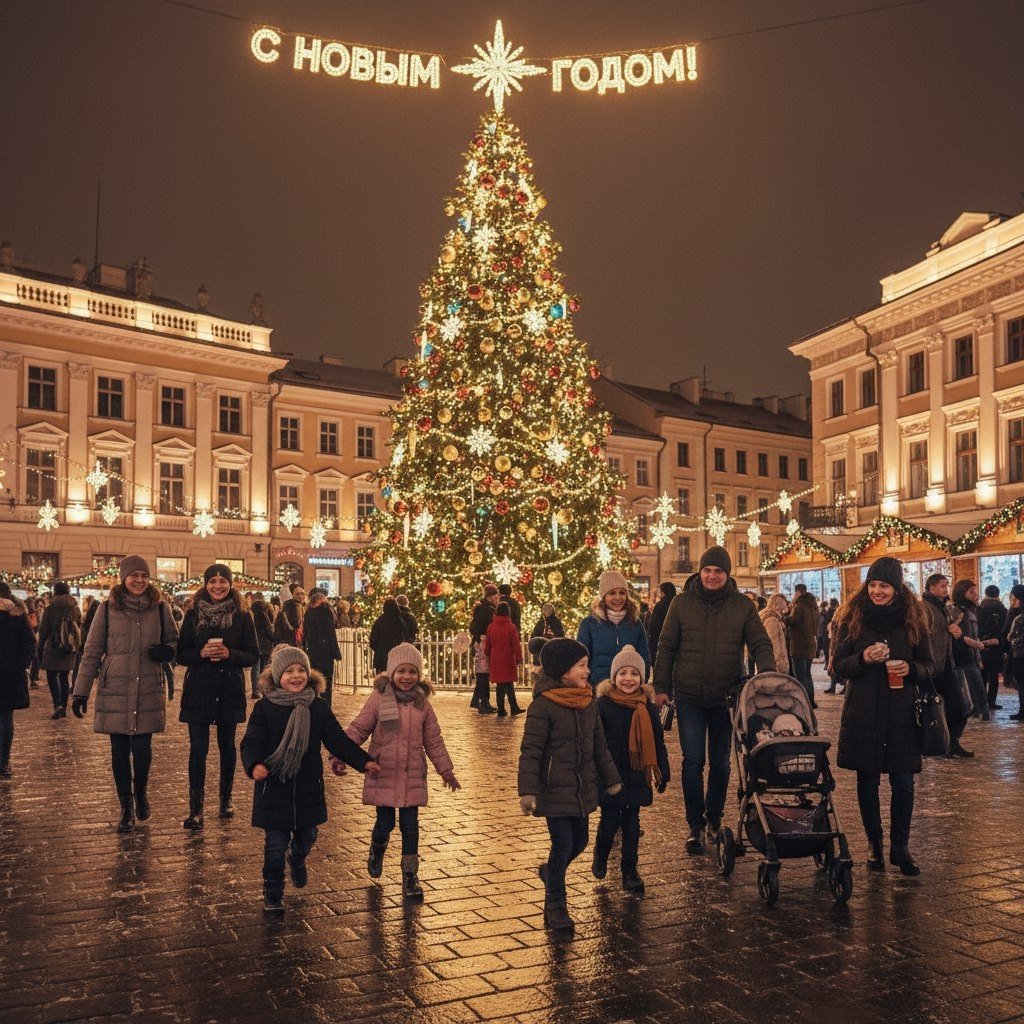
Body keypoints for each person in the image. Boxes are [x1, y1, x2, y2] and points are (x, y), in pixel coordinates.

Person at [653, 545, 775, 853]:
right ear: (700, 572)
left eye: (718, 571)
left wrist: (767, 675)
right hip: (690, 696)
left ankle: (714, 816)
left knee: (721, 762)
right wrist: (661, 686)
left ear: (727, 575)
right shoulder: (681, 603)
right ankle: (695, 823)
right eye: (707, 570)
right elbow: (666, 647)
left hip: (727, 697)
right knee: (693, 761)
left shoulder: (742, 606)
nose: (712, 576)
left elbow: (759, 642)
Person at [241, 646, 380, 913]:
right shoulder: (265, 707)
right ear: (277, 675)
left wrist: (363, 761)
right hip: (274, 788)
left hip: (308, 788)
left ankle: (297, 857)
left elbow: (337, 740)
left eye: (301, 670)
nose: (296, 675)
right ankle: (273, 892)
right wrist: (254, 765)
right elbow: (252, 741)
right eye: (289, 671)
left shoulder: (317, 706)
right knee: (274, 845)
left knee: (308, 835)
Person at [832, 556, 934, 876]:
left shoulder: (913, 619)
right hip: (863, 710)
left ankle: (900, 847)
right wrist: (862, 658)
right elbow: (838, 665)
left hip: (902, 714)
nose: (877, 591)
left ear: (896, 588)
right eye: (873, 584)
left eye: (884, 586)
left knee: (904, 783)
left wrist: (911, 668)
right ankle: (874, 843)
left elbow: (931, 666)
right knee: (868, 780)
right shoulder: (853, 618)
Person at [339, 643, 460, 900]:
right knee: (385, 824)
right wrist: (341, 753)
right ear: (391, 673)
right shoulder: (378, 699)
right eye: (401, 671)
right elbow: (359, 728)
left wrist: (445, 770)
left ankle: (410, 876)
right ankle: (377, 848)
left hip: (411, 776)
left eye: (412, 672)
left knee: (410, 827)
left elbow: (434, 740)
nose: (407, 677)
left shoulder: (422, 704)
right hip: (383, 773)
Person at [517, 638, 621, 932]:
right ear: (564, 672)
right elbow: (531, 751)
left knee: (581, 842)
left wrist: (611, 779)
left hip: (582, 788)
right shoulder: (544, 706)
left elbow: (600, 746)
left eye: (587, 666)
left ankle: (551, 873)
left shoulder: (588, 702)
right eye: (582, 666)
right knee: (563, 845)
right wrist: (528, 790)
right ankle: (556, 905)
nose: (588, 672)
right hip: (554, 789)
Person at [72, 555, 179, 833]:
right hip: (115, 687)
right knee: (119, 751)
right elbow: (92, 651)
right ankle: (126, 806)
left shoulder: (160, 608)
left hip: (147, 686)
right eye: (134, 576)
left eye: (144, 575)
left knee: (142, 749)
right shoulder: (107, 609)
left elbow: (174, 641)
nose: (139, 580)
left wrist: (168, 651)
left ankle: (140, 790)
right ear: (123, 578)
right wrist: (80, 692)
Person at [176, 564, 259, 830]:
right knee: (198, 749)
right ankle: (196, 809)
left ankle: (226, 799)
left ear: (231, 584)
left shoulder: (243, 616)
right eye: (213, 581)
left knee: (227, 746)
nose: (218, 586)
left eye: (223, 581)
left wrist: (230, 655)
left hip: (229, 688)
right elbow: (181, 654)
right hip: (199, 689)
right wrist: (199, 654)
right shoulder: (192, 614)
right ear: (206, 584)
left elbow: (254, 654)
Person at [593, 645, 670, 895]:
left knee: (632, 824)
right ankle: (601, 855)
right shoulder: (603, 705)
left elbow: (657, 741)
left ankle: (630, 870)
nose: (628, 679)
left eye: (634, 674)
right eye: (623, 673)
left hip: (637, 775)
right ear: (614, 677)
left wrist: (662, 769)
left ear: (642, 678)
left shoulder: (646, 706)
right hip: (611, 775)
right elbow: (595, 742)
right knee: (608, 822)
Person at [921, 573, 973, 757]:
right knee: (927, 710)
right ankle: (932, 744)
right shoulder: (924, 608)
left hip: (946, 665)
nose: (946, 589)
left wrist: (956, 633)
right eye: (942, 586)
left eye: (947, 586)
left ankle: (952, 742)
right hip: (930, 667)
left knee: (960, 706)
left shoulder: (943, 607)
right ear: (931, 587)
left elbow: (950, 631)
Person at [577, 571, 651, 688]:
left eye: (622, 593)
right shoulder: (589, 624)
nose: (618, 597)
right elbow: (581, 659)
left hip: (628, 690)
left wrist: (641, 686)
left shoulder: (635, 623)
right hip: (597, 690)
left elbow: (644, 659)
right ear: (603, 596)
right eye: (612, 593)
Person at [0, 583, 36, 778]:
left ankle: (3, 760)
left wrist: (17, 665)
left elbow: (29, 643)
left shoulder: (16, 617)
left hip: (9, 674)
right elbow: (30, 643)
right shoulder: (20, 615)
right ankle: (4, 760)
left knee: (4, 718)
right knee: (5, 718)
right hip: (11, 673)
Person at [37, 581, 82, 719]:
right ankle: (64, 705)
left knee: (52, 675)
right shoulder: (75, 608)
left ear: (55, 592)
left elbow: (44, 630)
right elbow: (78, 627)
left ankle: (57, 705)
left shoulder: (50, 609)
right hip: (69, 646)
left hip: (53, 646)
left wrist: (40, 646)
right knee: (64, 676)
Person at [952, 580, 989, 722]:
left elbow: (974, 635)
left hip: (970, 655)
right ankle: (976, 712)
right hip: (961, 655)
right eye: (971, 592)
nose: (975, 595)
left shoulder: (972, 611)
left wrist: (978, 655)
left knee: (978, 686)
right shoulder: (958, 611)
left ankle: (981, 713)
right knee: (969, 687)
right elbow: (958, 636)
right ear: (962, 593)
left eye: (976, 592)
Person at [484, 602, 524, 716]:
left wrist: (488, 654)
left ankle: (501, 709)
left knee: (500, 685)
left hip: (496, 659)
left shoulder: (491, 627)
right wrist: (518, 658)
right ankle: (513, 707)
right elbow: (516, 644)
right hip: (508, 659)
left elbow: (488, 645)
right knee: (509, 684)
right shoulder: (511, 627)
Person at [303, 588, 342, 707]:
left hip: (313, 650)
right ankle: (325, 704)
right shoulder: (326, 611)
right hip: (326, 651)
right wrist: (336, 652)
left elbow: (306, 633)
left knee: (315, 679)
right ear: (321, 599)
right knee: (326, 680)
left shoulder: (308, 612)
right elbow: (331, 632)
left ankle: (314, 702)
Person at [784, 583, 820, 708]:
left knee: (800, 676)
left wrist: (785, 618)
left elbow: (793, 621)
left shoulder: (799, 607)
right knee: (807, 675)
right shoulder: (813, 608)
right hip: (810, 644)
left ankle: (803, 702)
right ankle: (811, 701)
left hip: (799, 645)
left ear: (798, 593)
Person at [469, 584, 500, 713]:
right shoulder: (484, 609)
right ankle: (484, 703)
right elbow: (478, 627)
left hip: (483, 641)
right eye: (494, 595)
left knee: (483, 673)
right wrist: (480, 640)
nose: (496, 597)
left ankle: (478, 701)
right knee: (483, 674)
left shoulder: (488, 608)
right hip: (483, 642)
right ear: (489, 596)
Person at [977, 585, 1007, 712]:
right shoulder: (1003, 609)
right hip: (997, 646)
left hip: (982, 645)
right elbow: (1005, 629)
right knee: (994, 676)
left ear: (986, 594)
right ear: (998, 594)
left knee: (982, 677)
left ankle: (982, 704)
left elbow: (977, 627)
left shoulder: (980, 608)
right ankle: (992, 703)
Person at [368, 597, 408, 674]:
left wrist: (378, 649)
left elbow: (373, 639)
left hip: (382, 655)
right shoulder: (400, 622)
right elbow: (406, 638)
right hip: (397, 655)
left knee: (383, 679)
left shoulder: (380, 621)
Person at [250, 591, 275, 699]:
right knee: (264, 668)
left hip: (254, 643)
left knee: (255, 668)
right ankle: (264, 689)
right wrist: (273, 638)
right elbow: (268, 629)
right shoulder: (263, 613)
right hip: (265, 644)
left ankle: (255, 691)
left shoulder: (250, 613)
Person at [759, 593, 790, 675]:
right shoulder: (772, 620)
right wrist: (777, 664)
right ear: (778, 605)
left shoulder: (770, 616)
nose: (785, 606)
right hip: (774, 665)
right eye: (784, 603)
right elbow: (774, 644)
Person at [646, 582, 676, 653]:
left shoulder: (660, 606)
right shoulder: (677, 605)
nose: (659, 595)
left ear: (663, 593)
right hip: (674, 642)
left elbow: (653, 626)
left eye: (660, 592)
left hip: (659, 642)